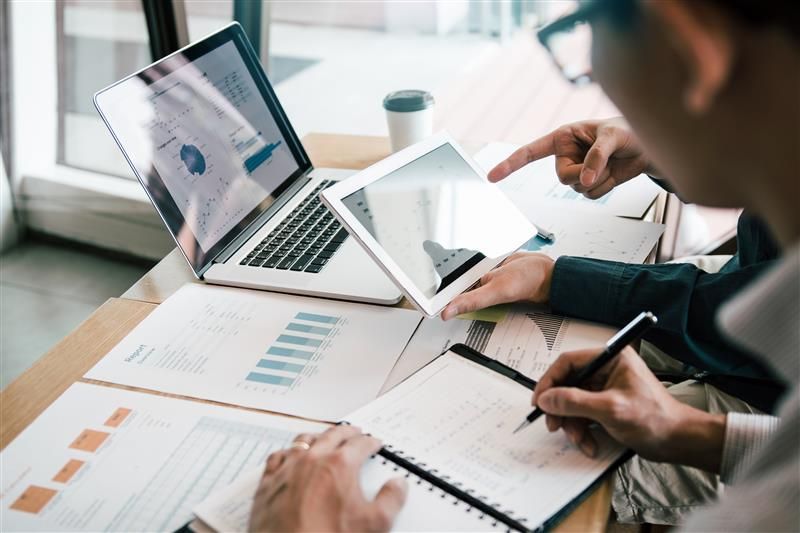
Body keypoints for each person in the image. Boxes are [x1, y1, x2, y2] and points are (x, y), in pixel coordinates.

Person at [249, 0, 799, 531]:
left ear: (689, 45)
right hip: (756, 396)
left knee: (501, 467)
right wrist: (686, 432)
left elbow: (729, 319)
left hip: (753, 391)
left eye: (583, 18)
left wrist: (559, 278)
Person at [440, 118, 783, 524]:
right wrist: (656, 152)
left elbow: (754, 317)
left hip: (770, 408)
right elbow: (770, 175)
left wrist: (558, 280)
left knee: (527, 469)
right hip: (743, 282)